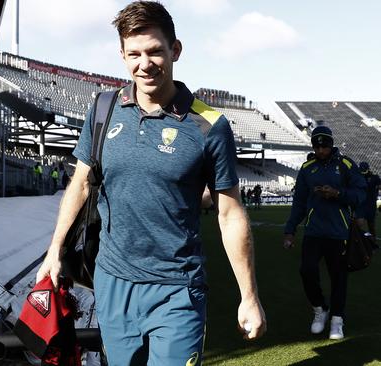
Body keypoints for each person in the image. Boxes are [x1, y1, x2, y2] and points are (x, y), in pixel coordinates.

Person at [36, 2, 266, 364]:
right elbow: (80, 184)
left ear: (175, 50)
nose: (145, 64)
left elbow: (230, 213)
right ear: (122, 55)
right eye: (134, 54)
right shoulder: (102, 109)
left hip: (178, 290)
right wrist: (54, 251)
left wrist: (248, 296)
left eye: (155, 51)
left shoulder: (209, 125)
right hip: (112, 283)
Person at [283, 125, 365, 340]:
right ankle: (320, 309)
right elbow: (299, 202)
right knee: (306, 271)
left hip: (339, 232)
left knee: (338, 277)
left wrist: (337, 193)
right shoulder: (307, 168)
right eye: (317, 146)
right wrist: (290, 230)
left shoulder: (346, 164)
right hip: (313, 232)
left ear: (331, 144)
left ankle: (337, 320)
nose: (321, 150)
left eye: (325, 146)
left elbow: (360, 194)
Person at [355, 161, 381, 241]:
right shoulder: (357, 177)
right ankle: (358, 242)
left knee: (371, 225)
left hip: (371, 205)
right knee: (358, 224)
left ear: (368, 169)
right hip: (360, 205)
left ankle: (373, 243)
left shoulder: (375, 178)